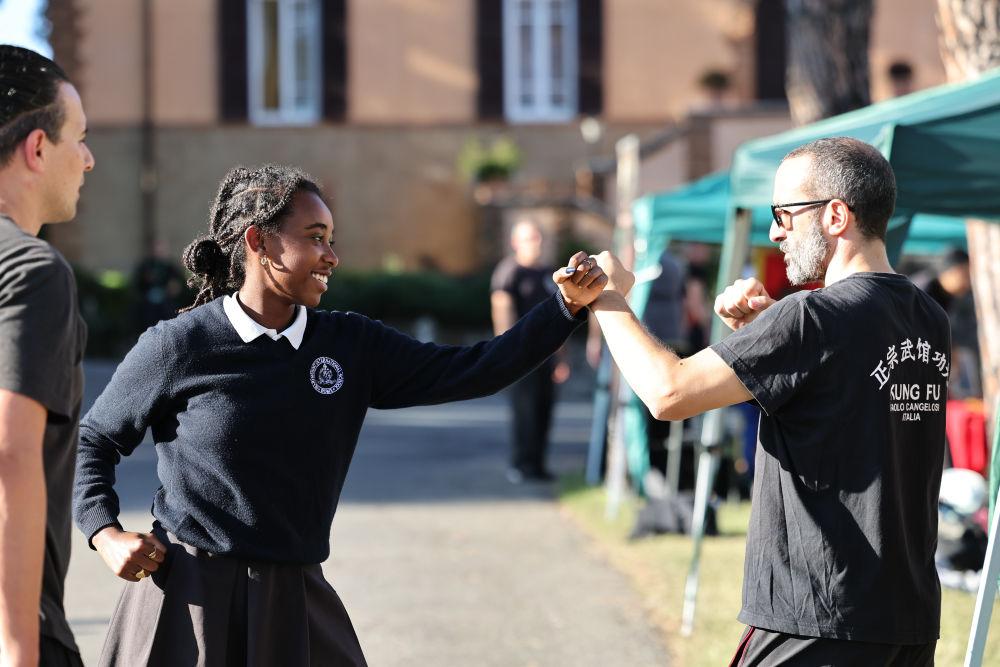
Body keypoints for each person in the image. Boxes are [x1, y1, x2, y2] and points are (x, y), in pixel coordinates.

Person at [72, 165, 607, 666]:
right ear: (259, 242)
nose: (331, 256)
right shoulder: (180, 344)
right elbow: (93, 439)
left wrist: (563, 309)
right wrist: (105, 533)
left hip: (295, 593)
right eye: (315, 238)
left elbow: (473, 369)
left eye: (331, 239)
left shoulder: (350, 344)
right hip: (190, 600)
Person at [586, 137, 947, 664]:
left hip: (815, 620)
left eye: (784, 213)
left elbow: (668, 392)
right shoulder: (926, 315)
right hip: (905, 619)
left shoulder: (809, 318)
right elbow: (838, 394)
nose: (776, 231)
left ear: (836, 215)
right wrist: (764, 331)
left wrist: (606, 296)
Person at [0, 46, 94, 667]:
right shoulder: (31, 270)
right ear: (37, 148)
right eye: (78, 138)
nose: (87, 159)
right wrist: (18, 649)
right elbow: (9, 454)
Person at [490, 218, 569, 483]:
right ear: (515, 243)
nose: (536, 243)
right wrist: (507, 351)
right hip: (521, 354)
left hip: (547, 355)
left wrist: (561, 358)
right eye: (529, 238)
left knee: (544, 410)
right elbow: (501, 310)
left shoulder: (549, 274)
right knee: (525, 412)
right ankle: (521, 464)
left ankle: (538, 465)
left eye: (538, 237)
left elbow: (561, 315)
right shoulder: (509, 272)